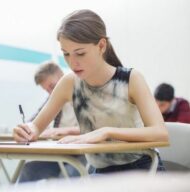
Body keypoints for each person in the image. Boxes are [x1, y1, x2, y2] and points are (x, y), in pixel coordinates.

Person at [13, 9, 168, 174]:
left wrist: (105, 131)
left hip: (142, 168)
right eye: (66, 54)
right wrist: (27, 131)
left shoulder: (131, 79)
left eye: (80, 53)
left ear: (101, 46)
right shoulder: (69, 82)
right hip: (101, 172)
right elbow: (36, 127)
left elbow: (160, 133)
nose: (72, 62)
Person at [18, 61, 86, 183]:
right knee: (29, 170)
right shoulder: (53, 98)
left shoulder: (84, 94)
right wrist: (26, 129)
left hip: (82, 153)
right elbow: (33, 121)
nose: (51, 93)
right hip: (60, 153)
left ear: (62, 77)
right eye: (47, 90)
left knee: (68, 177)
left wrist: (61, 131)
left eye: (52, 86)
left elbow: (94, 128)